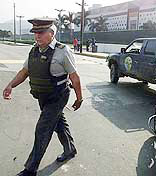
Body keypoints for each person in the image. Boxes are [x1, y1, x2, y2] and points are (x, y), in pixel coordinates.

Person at [3, 18, 83, 176]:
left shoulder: (63, 51)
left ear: (51, 34)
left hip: (58, 96)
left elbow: (74, 77)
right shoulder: (34, 50)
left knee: (42, 129)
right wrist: (11, 85)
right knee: (59, 123)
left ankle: (30, 169)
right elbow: (24, 71)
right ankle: (70, 149)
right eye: (35, 33)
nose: (37, 36)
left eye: (41, 33)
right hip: (43, 96)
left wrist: (79, 98)